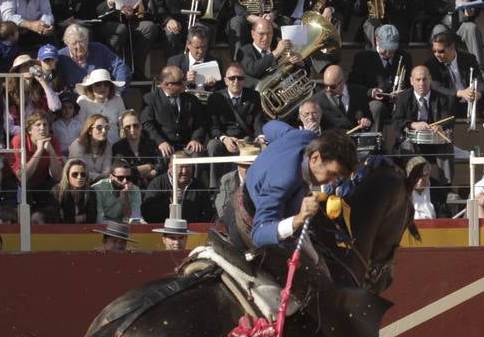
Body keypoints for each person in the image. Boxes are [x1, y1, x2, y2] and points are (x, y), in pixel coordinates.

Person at [234, 123, 357, 253]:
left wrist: (264, 140)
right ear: (315, 158)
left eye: (338, 177)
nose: (333, 182)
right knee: (316, 267)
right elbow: (259, 234)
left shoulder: (307, 137)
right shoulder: (283, 181)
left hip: (263, 194)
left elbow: (269, 127)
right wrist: (299, 218)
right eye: (332, 174)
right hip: (251, 217)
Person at [392, 65, 454, 204]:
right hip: (413, 142)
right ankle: (411, 185)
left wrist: (440, 126)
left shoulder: (442, 98)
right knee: (407, 145)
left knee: (447, 145)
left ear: (430, 79)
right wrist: (413, 124)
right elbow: (396, 122)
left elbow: (449, 120)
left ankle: (447, 188)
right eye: (418, 79)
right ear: (411, 81)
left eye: (425, 79)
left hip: (434, 142)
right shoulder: (403, 97)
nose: (421, 83)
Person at [349, 23, 412, 142]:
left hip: (398, 103)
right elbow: (352, 85)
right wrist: (370, 92)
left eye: (393, 48)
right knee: (376, 107)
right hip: (374, 104)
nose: (390, 52)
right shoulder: (363, 58)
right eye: (386, 47)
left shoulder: (404, 57)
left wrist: (403, 93)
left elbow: (410, 84)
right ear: (377, 41)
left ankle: (404, 144)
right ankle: (373, 144)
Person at [424, 31, 484, 129]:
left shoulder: (468, 59)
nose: (437, 54)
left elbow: (479, 81)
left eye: (441, 51)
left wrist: (478, 94)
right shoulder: (431, 64)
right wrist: (460, 93)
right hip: (450, 103)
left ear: (452, 48)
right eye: (434, 51)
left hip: (470, 101)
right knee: (446, 102)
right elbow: (436, 87)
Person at [140, 66, 207, 159]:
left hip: (186, 145)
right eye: (179, 82)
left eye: (184, 80)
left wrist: (195, 139)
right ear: (166, 85)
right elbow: (146, 124)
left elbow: (200, 123)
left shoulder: (191, 99)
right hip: (163, 145)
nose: (184, 83)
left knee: (197, 155)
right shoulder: (151, 99)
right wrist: (160, 142)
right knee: (161, 157)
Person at [56, 22, 130, 89]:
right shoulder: (60, 57)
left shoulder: (99, 49)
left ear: (87, 39)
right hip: (74, 101)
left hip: (102, 97)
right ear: (67, 43)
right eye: (74, 43)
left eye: (81, 41)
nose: (78, 47)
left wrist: (118, 92)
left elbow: (121, 67)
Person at [142, 156, 214, 224]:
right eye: (181, 167)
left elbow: (208, 213)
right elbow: (147, 214)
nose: (184, 171)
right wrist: (170, 199)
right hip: (164, 232)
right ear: (170, 167)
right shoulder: (157, 184)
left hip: (193, 233)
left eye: (188, 166)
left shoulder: (198, 185)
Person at [74, 67, 127, 144]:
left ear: (110, 87)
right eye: (98, 84)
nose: (102, 87)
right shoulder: (83, 101)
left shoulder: (117, 99)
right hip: (91, 147)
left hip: (114, 146)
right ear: (91, 87)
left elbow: (123, 124)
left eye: (106, 85)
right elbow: (79, 128)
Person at [317, 64, 370, 133]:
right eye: (325, 85)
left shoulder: (359, 92)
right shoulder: (318, 100)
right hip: (332, 141)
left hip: (356, 140)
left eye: (332, 86)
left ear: (342, 82)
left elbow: (369, 115)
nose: (328, 89)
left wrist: (366, 121)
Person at [45, 158, 98, 224]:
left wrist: (67, 218)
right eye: (75, 174)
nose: (79, 177)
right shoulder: (57, 191)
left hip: (84, 231)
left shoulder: (90, 191)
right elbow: (55, 219)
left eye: (83, 174)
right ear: (67, 175)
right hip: (62, 231)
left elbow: (92, 218)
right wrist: (81, 218)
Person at [68, 113, 115, 181]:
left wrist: (101, 178)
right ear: (90, 130)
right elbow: (81, 171)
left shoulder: (107, 146)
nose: (104, 131)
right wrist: (100, 177)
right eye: (99, 128)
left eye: (106, 127)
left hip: (100, 184)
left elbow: (107, 172)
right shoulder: (78, 144)